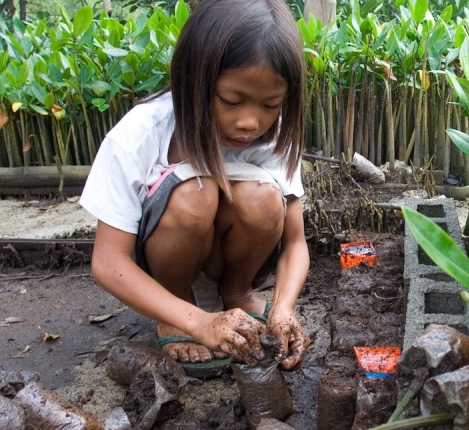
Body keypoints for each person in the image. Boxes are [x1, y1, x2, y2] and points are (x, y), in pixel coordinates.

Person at [80, 0, 310, 372]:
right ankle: (176, 310)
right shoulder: (141, 134)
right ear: (193, 82)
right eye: (231, 101)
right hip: (164, 269)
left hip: (228, 263)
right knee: (194, 192)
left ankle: (237, 293)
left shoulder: (275, 138)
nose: (250, 122)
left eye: (271, 104)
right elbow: (108, 262)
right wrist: (199, 323)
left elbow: (296, 242)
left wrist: (283, 307)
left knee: (263, 198)